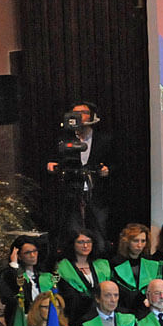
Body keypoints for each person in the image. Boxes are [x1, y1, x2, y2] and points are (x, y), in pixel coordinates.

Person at [47, 101, 111, 246]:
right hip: (71, 192)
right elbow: (54, 159)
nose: (80, 117)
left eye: (84, 113)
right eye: (76, 113)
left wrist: (107, 170)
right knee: (72, 232)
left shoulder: (104, 139)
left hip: (97, 194)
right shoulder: (63, 140)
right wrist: (52, 164)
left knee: (99, 232)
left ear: (92, 116)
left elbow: (118, 163)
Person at [54, 228, 110, 324]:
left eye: (89, 242)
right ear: (73, 244)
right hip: (76, 317)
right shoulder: (62, 268)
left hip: (101, 317)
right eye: (80, 242)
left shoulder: (102, 265)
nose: (85, 246)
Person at [111, 223, 158, 315]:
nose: (140, 245)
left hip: (148, 311)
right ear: (127, 241)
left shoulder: (152, 262)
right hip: (123, 311)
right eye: (136, 241)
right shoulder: (114, 263)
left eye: (143, 241)